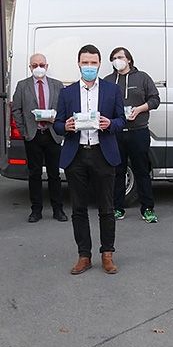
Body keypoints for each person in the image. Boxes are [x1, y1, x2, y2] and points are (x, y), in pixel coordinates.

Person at [54, 44, 126, 275]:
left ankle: (107, 254)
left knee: (107, 207)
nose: (89, 67)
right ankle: (84, 255)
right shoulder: (67, 93)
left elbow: (121, 120)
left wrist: (110, 124)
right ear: (78, 64)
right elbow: (57, 123)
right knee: (78, 209)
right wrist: (64, 126)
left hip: (102, 153)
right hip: (76, 155)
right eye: (85, 63)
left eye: (93, 63)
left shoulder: (111, 90)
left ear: (99, 64)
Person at [104, 47, 160, 223]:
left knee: (142, 171)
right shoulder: (108, 80)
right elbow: (102, 104)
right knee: (117, 172)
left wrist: (139, 109)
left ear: (129, 59)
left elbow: (155, 99)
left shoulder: (142, 77)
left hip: (139, 131)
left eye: (120, 57)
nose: (117, 60)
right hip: (116, 132)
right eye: (114, 58)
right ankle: (118, 208)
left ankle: (147, 209)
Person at [11, 53, 67, 223]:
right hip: (33, 135)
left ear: (47, 66)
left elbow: (64, 109)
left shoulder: (57, 85)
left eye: (41, 65)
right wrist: (24, 131)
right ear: (30, 67)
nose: (38, 68)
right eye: (34, 65)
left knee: (54, 174)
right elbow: (16, 110)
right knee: (34, 174)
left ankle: (58, 210)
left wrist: (56, 119)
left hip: (52, 135)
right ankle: (36, 210)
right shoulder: (22, 86)